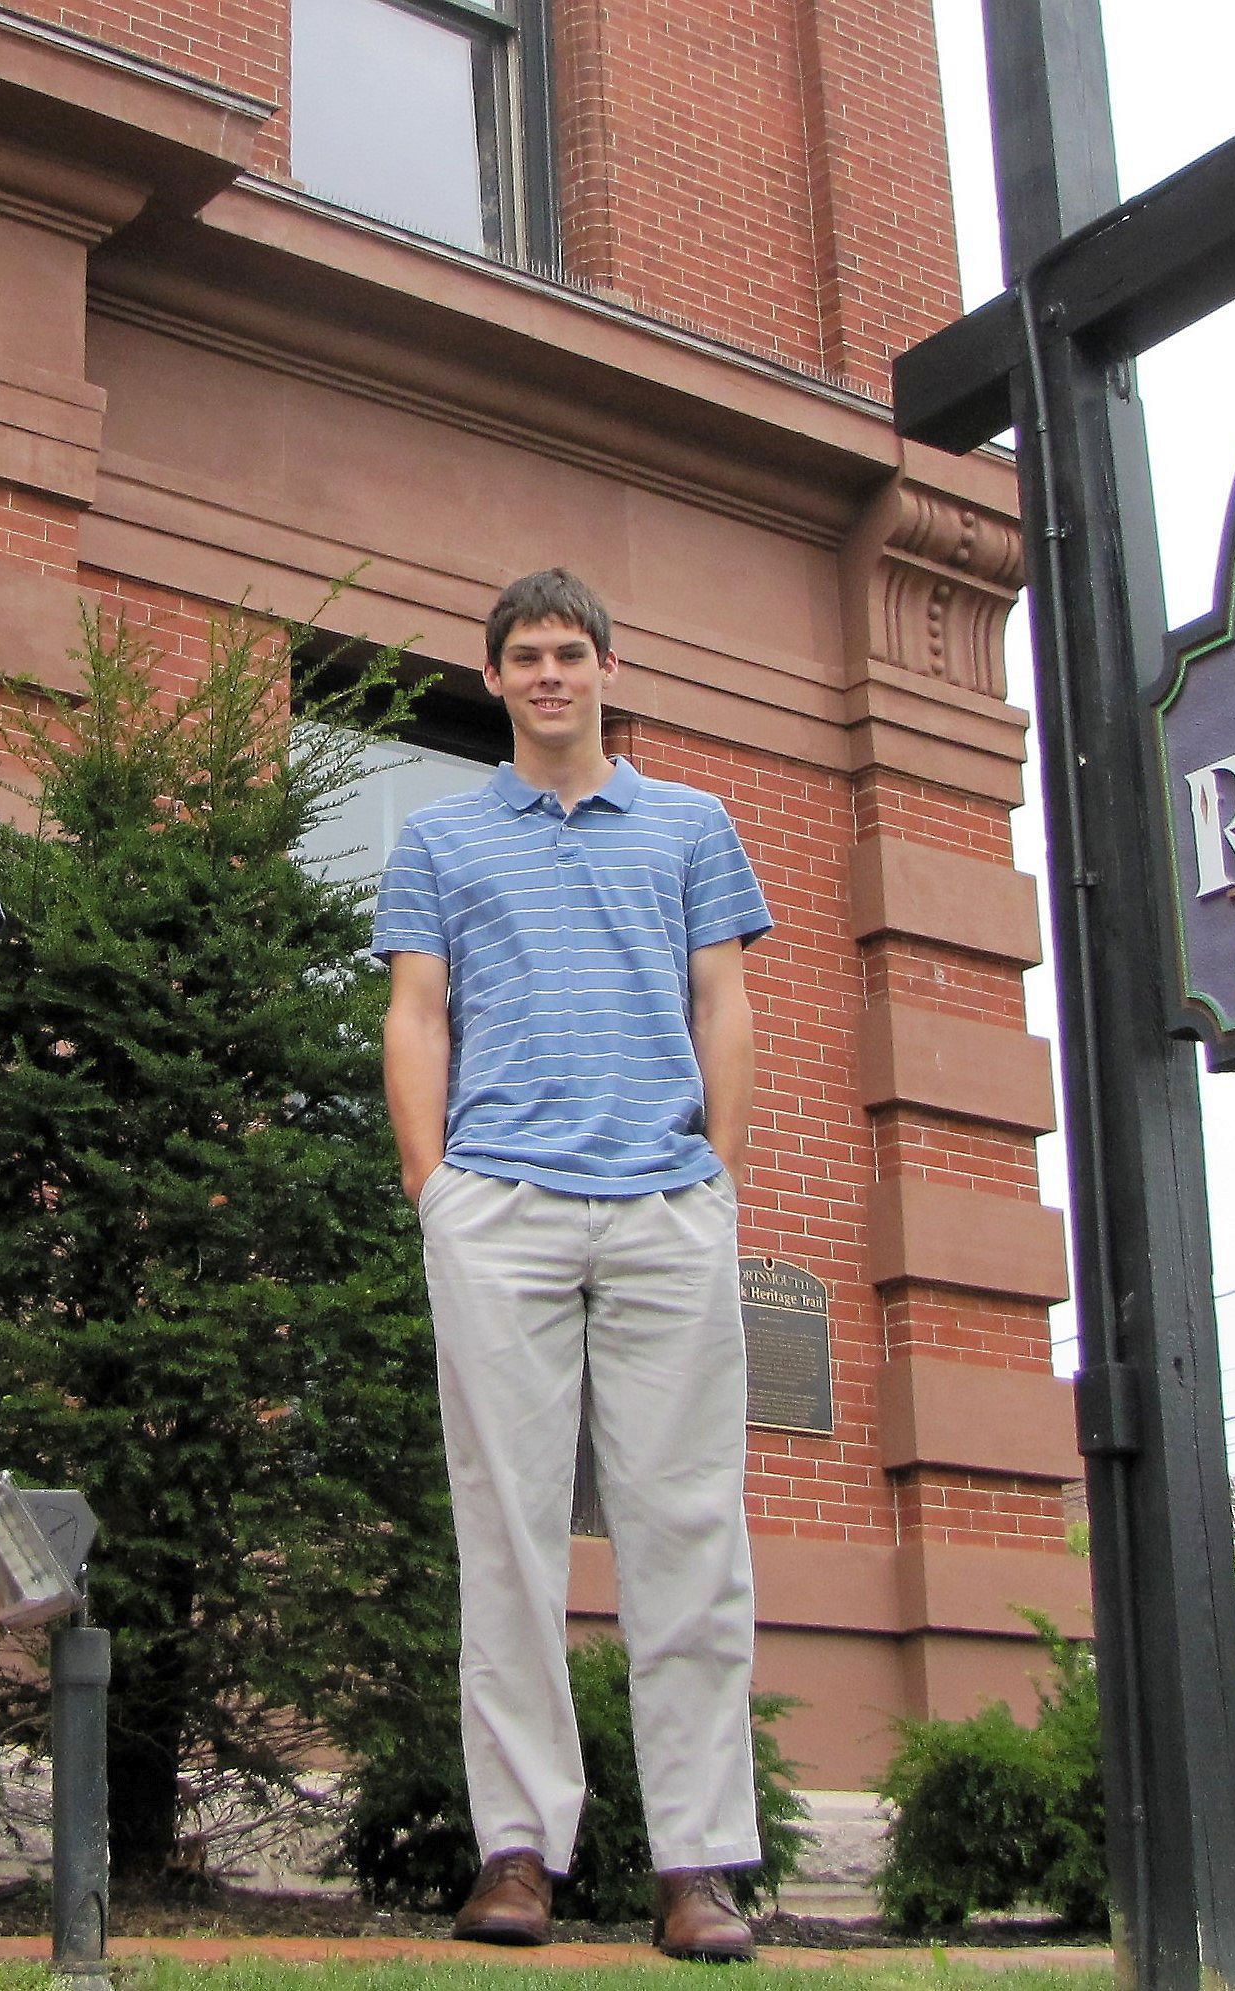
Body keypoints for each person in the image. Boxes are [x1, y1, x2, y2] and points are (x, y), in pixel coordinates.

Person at [373, 568, 771, 1963]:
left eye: (570, 652)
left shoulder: (692, 825)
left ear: (608, 667)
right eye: (525, 656)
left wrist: (716, 1173)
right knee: (507, 1537)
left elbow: (722, 998)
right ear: (492, 678)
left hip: (664, 1206)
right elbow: (416, 1013)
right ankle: (517, 1853)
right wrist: (433, 1186)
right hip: (500, 1209)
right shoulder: (438, 837)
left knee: (689, 1535)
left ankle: (697, 1866)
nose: (550, 674)